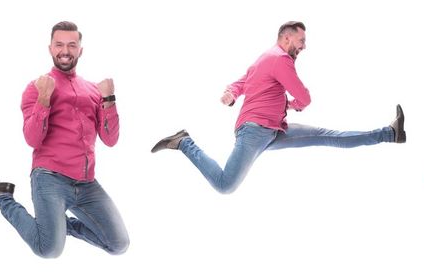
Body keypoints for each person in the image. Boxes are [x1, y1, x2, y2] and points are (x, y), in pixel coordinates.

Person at [150, 21, 405, 194]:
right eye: (301, 40)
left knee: (329, 137)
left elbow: (243, 80)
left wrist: (231, 92)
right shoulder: (280, 59)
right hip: (256, 131)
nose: (304, 46)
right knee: (225, 185)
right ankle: (184, 142)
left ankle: (390, 133)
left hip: (272, 130)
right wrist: (294, 104)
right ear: (286, 37)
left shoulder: (266, 57)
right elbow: (304, 97)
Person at [0, 21, 130, 260]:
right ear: (50, 48)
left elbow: (110, 140)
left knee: (119, 244)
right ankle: (2, 197)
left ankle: (58, 224)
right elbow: (33, 139)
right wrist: (44, 98)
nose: (65, 50)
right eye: (59, 45)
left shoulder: (93, 90)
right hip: (50, 178)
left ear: (80, 50)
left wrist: (109, 99)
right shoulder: (36, 87)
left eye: (71, 45)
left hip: (87, 183)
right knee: (49, 249)